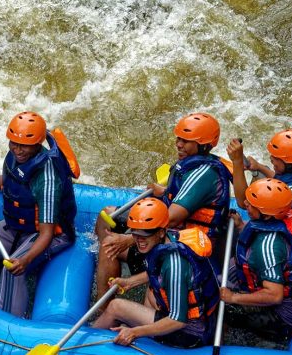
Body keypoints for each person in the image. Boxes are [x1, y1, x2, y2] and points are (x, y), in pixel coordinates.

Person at [94, 112, 232, 297]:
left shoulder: (204, 174)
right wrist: (166, 191)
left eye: (186, 141)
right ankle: (112, 268)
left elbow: (172, 218)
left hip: (183, 243)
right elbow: (184, 195)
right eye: (179, 138)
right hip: (167, 230)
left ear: (203, 144)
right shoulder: (194, 162)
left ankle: (106, 307)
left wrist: (129, 239)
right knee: (107, 215)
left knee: (108, 247)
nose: (178, 144)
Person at [0, 111, 78, 318]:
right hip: (18, 227)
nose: (17, 149)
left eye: (24, 145)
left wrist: (26, 260)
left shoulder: (47, 178)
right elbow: (11, 181)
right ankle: (20, 277)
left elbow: (47, 233)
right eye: (13, 143)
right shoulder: (15, 157)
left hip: (51, 233)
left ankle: (7, 323)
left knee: (12, 271)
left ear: (38, 144)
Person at [92, 198, 220, 348]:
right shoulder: (170, 238)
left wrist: (135, 332)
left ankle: (87, 343)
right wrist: (129, 282)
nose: (139, 240)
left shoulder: (174, 265)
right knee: (151, 291)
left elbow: (178, 320)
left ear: (160, 232)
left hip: (191, 333)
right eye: (135, 233)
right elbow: (156, 272)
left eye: (145, 234)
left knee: (116, 306)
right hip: (195, 319)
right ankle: (148, 334)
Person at [219, 178, 292, 343]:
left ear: (265, 214)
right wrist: (240, 226)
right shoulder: (280, 220)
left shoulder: (268, 247)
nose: (245, 204)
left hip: (287, 318)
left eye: (251, 204)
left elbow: (274, 295)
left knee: (222, 307)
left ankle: (232, 344)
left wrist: (233, 298)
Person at [226, 129, 292, 276]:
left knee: (230, 273)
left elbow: (244, 202)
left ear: (290, 164)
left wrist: (237, 162)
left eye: (276, 158)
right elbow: (282, 183)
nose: (271, 159)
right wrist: (259, 167)